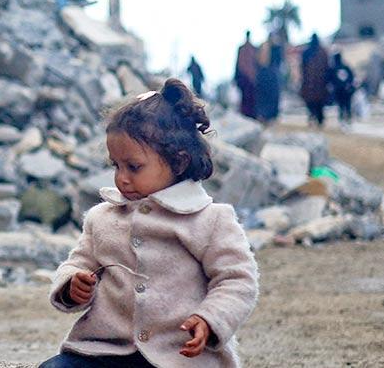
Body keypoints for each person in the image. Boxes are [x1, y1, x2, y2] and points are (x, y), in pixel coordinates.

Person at [39, 79, 259, 368]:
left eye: (134, 167)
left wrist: (210, 318)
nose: (122, 178)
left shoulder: (210, 219)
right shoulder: (102, 218)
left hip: (179, 355)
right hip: (105, 351)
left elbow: (237, 279)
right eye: (116, 165)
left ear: (179, 162)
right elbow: (78, 262)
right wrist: (72, 284)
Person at [299, 34, 330, 127]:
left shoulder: (318, 52)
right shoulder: (318, 52)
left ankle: (316, 118)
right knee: (314, 101)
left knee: (316, 102)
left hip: (315, 83)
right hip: (314, 83)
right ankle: (315, 117)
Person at [254, 35, 283, 123]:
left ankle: (267, 117)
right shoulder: (266, 48)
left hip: (269, 77)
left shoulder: (274, 48)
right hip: (266, 77)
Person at [233, 32, 257, 119]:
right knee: (245, 98)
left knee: (251, 98)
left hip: (251, 78)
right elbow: (238, 63)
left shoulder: (253, 48)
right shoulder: (243, 48)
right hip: (244, 78)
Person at [329, 53, 356, 126]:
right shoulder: (346, 67)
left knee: (341, 106)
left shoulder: (333, 69)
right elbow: (352, 77)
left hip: (339, 91)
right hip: (347, 90)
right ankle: (348, 118)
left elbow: (329, 79)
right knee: (348, 105)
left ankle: (342, 119)